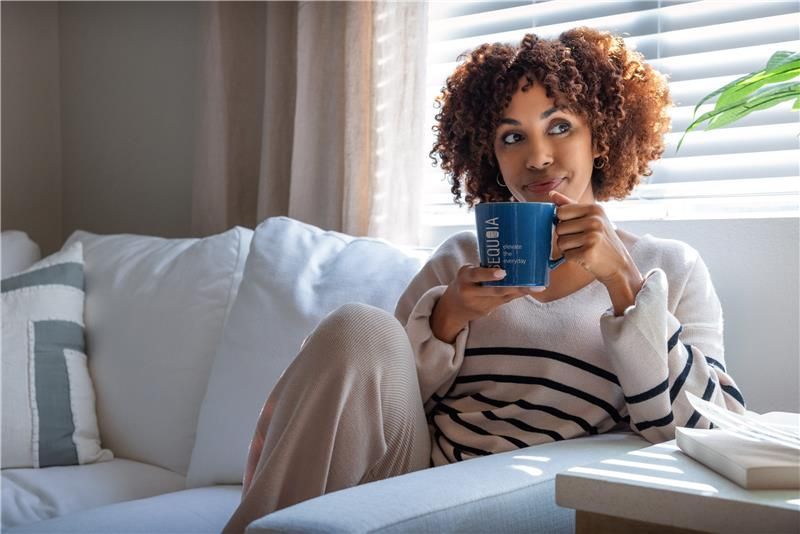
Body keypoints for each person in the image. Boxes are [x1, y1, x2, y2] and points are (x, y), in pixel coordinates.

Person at [223, 27, 746, 533]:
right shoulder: (458, 260)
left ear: (601, 136)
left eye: (560, 126)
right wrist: (447, 320)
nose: (537, 156)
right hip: (408, 482)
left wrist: (624, 285)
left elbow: (712, 433)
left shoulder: (669, 268)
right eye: (512, 137)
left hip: (530, 495)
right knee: (359, 326)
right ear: (490, 156)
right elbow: (377, 410)